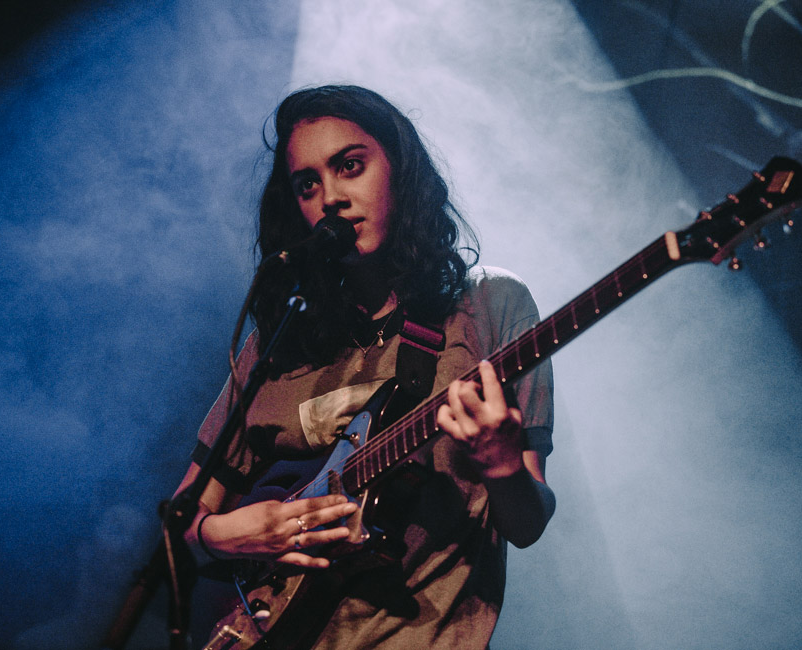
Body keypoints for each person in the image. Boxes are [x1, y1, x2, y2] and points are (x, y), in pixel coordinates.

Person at [173, 85, 555, 649]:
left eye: (350, 166)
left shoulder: (491, 306)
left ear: (400, 171)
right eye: (308, 184)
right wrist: (225, 535)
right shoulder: (277, 344)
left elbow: (526, 525)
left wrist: (501, 465)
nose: (330, 197)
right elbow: (181, 521)